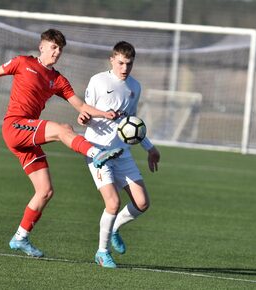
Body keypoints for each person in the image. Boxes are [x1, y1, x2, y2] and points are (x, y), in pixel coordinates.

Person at [0, 29, 123, 258]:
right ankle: (95, 153)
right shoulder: (22, 62)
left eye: (60, 49)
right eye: (53, 47)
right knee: (60, 129)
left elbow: (81, 106)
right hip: (15, 126)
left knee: (45, 191)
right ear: (42, 46)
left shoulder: (57, 79)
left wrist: (104, 114)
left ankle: (20, 237)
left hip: (27, 135)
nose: (57, 53)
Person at [77, 41, 160, 268]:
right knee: (112, 203)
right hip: (98, 152)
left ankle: (113, 229)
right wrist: (86, 117)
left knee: (142, 203)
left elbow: (131, 125)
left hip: (122, 153)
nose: (125, 68)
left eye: (129, 64)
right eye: (121, 63)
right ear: (112, 60)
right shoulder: (98, 81)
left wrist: (150, 148)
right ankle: (102, 252)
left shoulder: (135, 86)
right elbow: (84, 110)